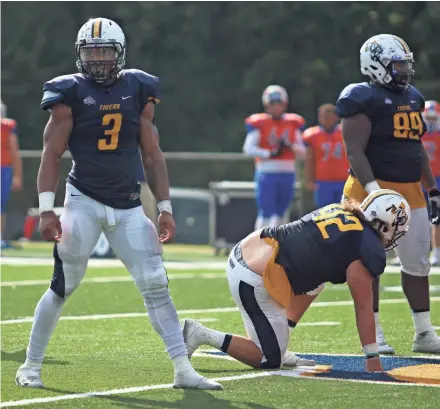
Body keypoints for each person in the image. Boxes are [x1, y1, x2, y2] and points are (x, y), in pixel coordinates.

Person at [15, 17, 221, 391]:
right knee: (64, 285)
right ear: (80, 54)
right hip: (83, 200)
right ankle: (30, 365)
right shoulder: (69, 92)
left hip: (128, 203)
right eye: (90, 51)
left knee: (156, 284)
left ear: (119, 53)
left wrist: (165, 207)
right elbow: (51, 154)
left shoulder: (138, 88)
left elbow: (153, 154)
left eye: (104, 50)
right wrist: (47, 209)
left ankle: (182, 369)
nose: (97, 58)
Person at [182, 190, 410, 373]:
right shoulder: (367, 248)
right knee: (268, 359)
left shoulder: (343, 212)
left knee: (317, 279)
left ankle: (281, 339)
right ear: (385, 223)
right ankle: (200, 334)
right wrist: (372, 358)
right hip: (256, 275)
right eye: (397, 227)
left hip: (253, 247)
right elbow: (363, 307)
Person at [337, 34, 440, 354]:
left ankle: (424, 333)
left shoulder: (412, 97)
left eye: (405, 65)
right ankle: (375, 333)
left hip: (410, 192)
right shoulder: (360, 97)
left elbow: (415, 147)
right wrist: (373, 192)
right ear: (376, 65)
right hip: (368, 190)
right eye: (397, 66)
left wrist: (432, 187)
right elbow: (354, 151)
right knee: (369, 263)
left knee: (417, 264)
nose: (404, 72)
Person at [243, 86, 306, 229]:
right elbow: (248, 149)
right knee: (266, 211)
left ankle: (280, 244)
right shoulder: (260, 123)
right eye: (273, 105)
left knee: (282, 212)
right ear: (266, 105)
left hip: (288, 172)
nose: (276, 108)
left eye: (279, 105)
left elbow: (303, 152)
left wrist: (291, 146)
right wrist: (269, 153)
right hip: (267, 172)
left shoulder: (292, 123)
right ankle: (258, 244)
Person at [303, 104, 349, 208]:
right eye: (324, 117)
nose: (326, 120)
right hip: (323, 182)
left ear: (336, 117)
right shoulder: (312, 135)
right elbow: (309, 159)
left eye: (329, 117)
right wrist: (309, 180)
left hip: (344, 180)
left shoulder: (346, 132)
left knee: (346, 212)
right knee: (324, 213)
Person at [1, 99, 23, 249]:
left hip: (3, 168)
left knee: (0, 205)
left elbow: (14, 152)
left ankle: (0, 239)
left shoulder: (7, 127)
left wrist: (17, 176)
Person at [421, 100, 440, 265]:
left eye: (434, 117)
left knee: (437, 216)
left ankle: (437, 252)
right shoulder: (416, 133)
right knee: (414, 215)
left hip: (437, 179)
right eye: (428, 117)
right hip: (418, 178)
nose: (431, 120)